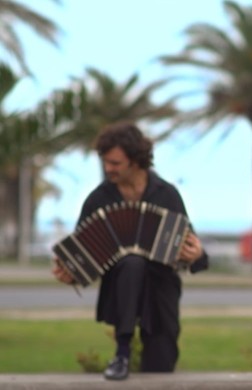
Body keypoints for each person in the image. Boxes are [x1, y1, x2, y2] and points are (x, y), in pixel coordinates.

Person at [52, 121, 209, 380]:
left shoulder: (166, 195)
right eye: (105, 161)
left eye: (115, 163)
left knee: (162, 365)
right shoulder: (98, 199)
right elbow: (81, 256)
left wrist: (198, 256)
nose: (107, 169)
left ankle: (133, 355)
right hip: (120, 285)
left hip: (160, 287)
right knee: (132, 262)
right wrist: (70, 275)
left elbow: (190, 247)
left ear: (136, 161)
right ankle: (121, 350)